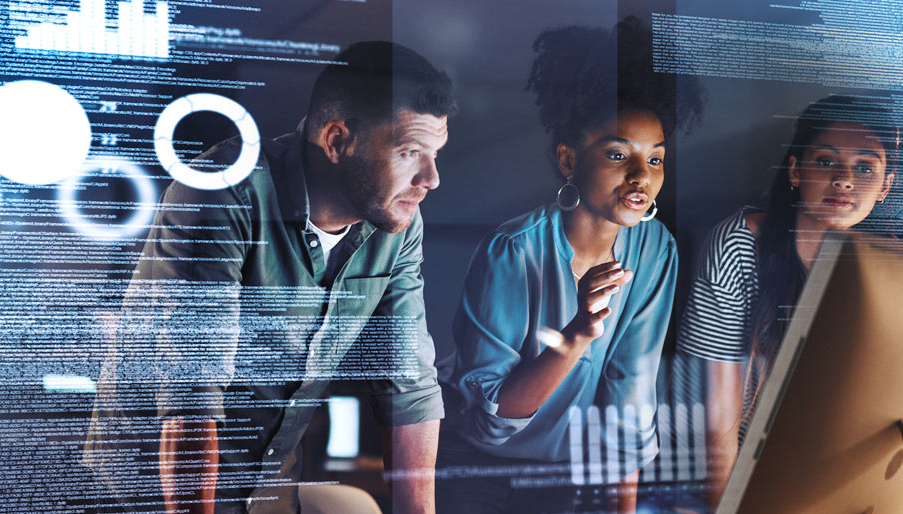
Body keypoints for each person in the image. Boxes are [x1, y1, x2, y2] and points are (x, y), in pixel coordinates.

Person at [82, 41, 457, 514]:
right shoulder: (222, 189)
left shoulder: (397, 224)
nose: (431, 178)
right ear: (338, 141)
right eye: (409, 151)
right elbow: (192, 394)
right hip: (152, 492)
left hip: (268, 490)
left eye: (436, 153)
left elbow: (409, 385)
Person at [436, 17, 703, 513]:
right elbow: (494, 416)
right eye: (618, 154)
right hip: (474, 466)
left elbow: (632, 389)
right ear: (568, 160)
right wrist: (579, 333)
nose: (641, 175)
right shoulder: (512, 250)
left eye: (657, 159)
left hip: (565, 475)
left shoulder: (655, 249)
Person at [677, 94, 899, 508]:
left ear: (885, 186)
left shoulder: (891, 265)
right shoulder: (740, 243)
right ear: (795, 170)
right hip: (756, 472)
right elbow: (718, 420)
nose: (845, 179)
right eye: (826, 161)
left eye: (865, 167)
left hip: (854, 474)